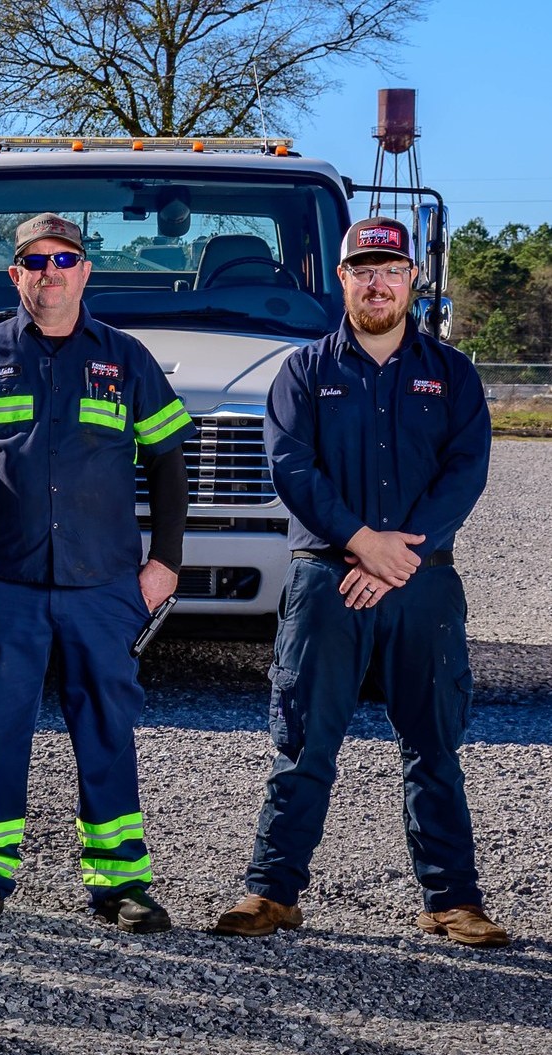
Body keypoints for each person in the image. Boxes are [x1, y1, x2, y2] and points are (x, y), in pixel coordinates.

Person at [212, 217, 507, 947]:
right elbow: (292, 469)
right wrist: (360, 543)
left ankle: (452, 900)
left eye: (390, 270)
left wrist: (398, 556)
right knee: (302, 741)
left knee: (433, 746)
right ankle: (270, 892)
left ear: (411, 280)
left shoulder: (453, 374)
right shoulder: (303, 372)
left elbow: (463, 472)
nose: (376, 282)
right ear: (340, 279)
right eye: (361, 269)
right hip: (325, 582)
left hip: (423, 585)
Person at [0, 212, 194, 932]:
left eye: (63, 259)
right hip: (1, 583)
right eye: (34, 261)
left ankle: (119, 881)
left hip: (101, 586)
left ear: (85, 271)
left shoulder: (124, 358)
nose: (50, 272)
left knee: (105, 729)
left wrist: (165, 559)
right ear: (15, 275)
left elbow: (167, 461)